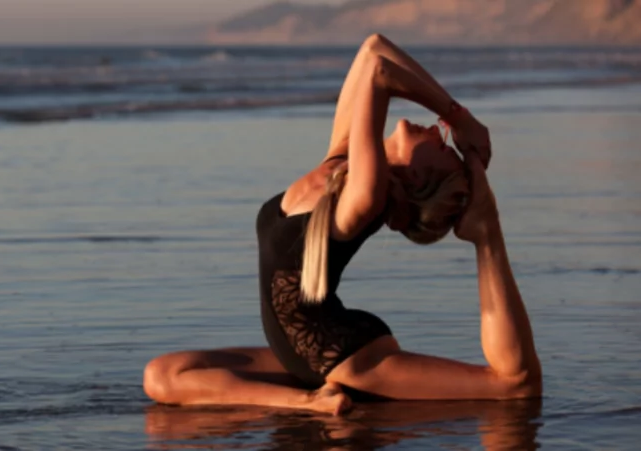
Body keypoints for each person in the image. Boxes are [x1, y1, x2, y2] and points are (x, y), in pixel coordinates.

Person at [142, 34, 541, 415]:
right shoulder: (341, 163)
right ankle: (306, 399)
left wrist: (459, 117)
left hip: (343, 356)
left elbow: (380, 73)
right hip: (300, 353)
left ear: (419, 179)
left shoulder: (367, 195)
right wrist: (457, 120)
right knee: (161, 375)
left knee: (515, 384)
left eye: (443, 149)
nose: (439, 131)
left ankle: (487, 234)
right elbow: (373, 48)